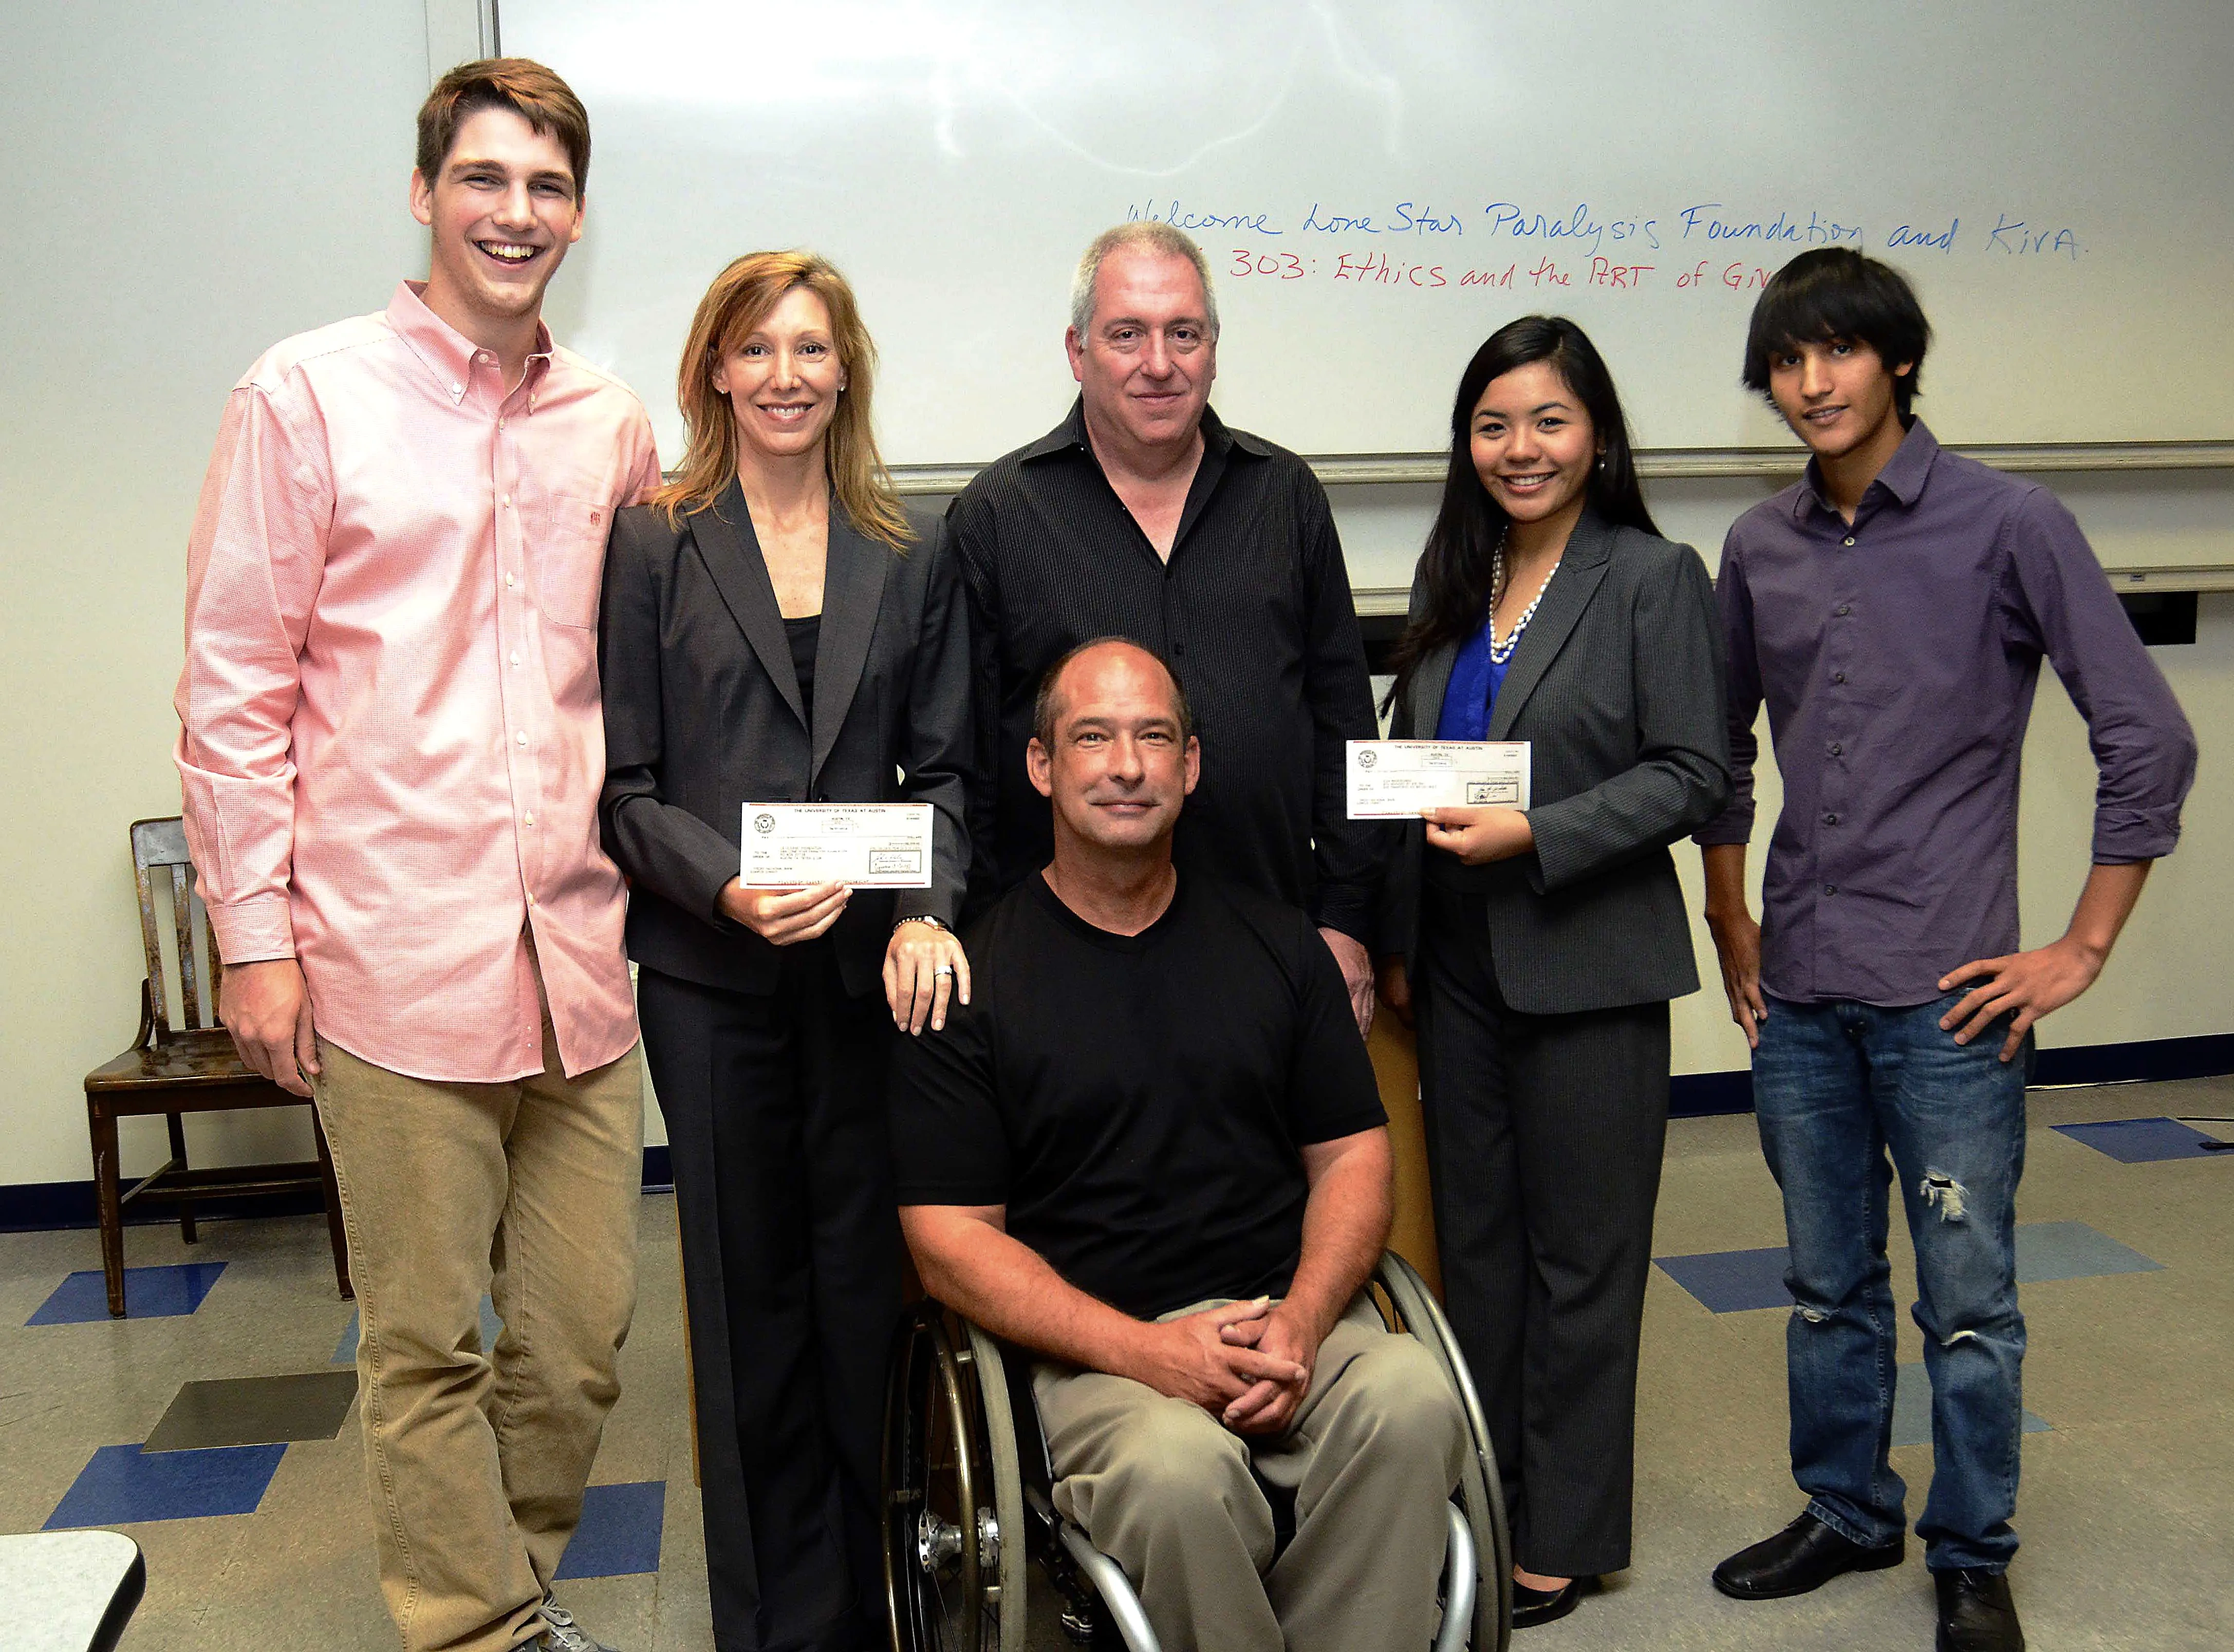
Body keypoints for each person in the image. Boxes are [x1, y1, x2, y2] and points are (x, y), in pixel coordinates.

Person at [175, 60, 655, 1652]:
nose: (517, 214)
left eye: (546, 187)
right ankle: (482, 1633)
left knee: (581, 1337)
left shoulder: (608, 423)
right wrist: (254, 935)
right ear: (423, 191)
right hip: (389, 945)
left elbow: (643, 673)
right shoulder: (303, 396)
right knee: (425, 1343)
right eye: (485, 179)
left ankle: (499, 1586)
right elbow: (236, 681)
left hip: (579, 950)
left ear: (577, 212)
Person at [1698, 248, 2198, 1652]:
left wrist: (2081, 950)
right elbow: (1717, 747)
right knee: (1822, 1284)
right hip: (1798, 987)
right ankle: (1846, 1511)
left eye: (1839, 352)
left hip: (1951, 1000)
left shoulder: (2008, 524)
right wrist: (1726, 910)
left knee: (1967, 1304)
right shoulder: (1757, 545)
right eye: (1787, 362)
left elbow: (2145, 737)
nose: (1811, 383)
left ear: (1897, 361)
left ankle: (1969, 1550)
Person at [892, 640, 1466, 1652]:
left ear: (1190, 765)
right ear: (1040, 767)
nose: (1125, 764)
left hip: (1282, 1325)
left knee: (1415, 1401)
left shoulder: (1278, 946)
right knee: (1175, 1475)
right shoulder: (971, 980)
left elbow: (1352, 1160)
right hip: (1097, 1356)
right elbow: (947, 1242)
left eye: (1153, 737)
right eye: (1093, 738)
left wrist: (1299, 1320)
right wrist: (1148, 1355)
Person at [598, 251, 971, 1652]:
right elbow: (627, 788)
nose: (785, 376)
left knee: (866, 1293)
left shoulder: (908, 543)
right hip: (716, 983)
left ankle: (883, 1606)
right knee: (748, 1309)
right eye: (756, 350)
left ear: (846, 368)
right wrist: (727, 891)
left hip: (877, 982)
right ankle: (771, 1626)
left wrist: (929, 908)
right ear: (713, 370)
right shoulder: (653, 541)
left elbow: (945, 770)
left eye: (811, 350)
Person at [1374, 315, 1732, 1628]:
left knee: (1583, 1261)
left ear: (1596, 438)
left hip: (1588, 965)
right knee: (1477, 1252)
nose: (1517, 449)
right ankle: (1489, 1492)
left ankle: (1564, 1534)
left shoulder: (1649, 577)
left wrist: (1540, 833)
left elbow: (1693, 774)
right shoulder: (1452, 582)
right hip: (1456, 971)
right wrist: (1403, 939)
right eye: (1491, 425)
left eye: (1546, 423)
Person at [946, 221, 1385, 1034]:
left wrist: (1349, 920)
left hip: (1274, 944)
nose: (1160, 364)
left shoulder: (1286, 497)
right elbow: (966, 758)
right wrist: (983, 938)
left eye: (1184, 334)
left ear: (1214, 347)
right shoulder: (999, 514)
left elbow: (1344, 731)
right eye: (1127, 335)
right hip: (1063, 963)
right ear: (1078, 352)